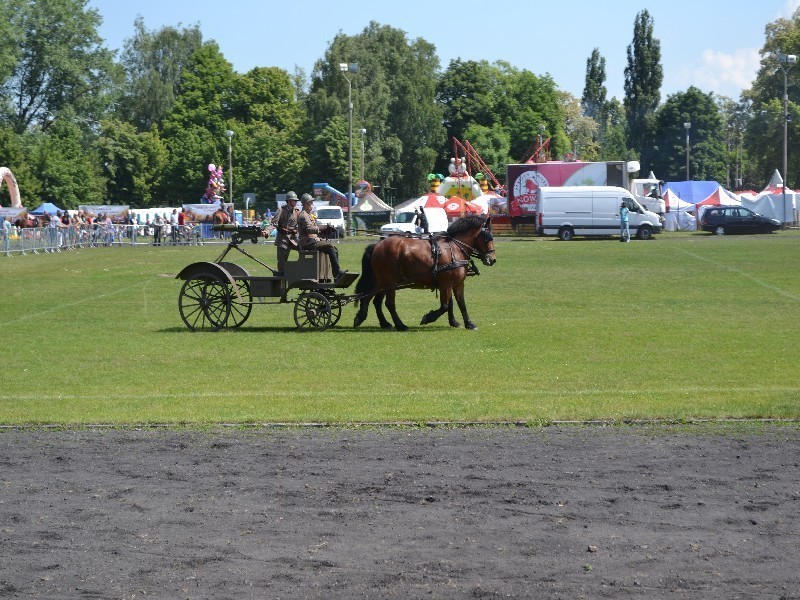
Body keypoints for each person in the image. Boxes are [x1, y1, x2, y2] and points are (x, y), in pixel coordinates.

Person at [297, 193, 346, 279]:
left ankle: (336, 274)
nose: (312, 205)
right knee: (330, 247)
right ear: (306, 204)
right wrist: (324, 227)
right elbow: (309, 229)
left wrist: (327, 230)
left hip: (312, 240)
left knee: (334, 249)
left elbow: (315, 231)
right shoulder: (304, 215)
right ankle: (337, 273)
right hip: (308, 243)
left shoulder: (308, 215)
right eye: (310, 203)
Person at [269, 191, 300, 275]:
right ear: (289, 201)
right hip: (282, 240)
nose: (296, 202)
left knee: (305, 251)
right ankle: (281, 283)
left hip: (293, 239)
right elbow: (273, 223)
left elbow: (301, 224)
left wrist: (296, 230)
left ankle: (301, 272)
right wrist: (267, 231)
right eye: (294, 200)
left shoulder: (297, 211)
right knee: (282, 265)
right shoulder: (281, 210)